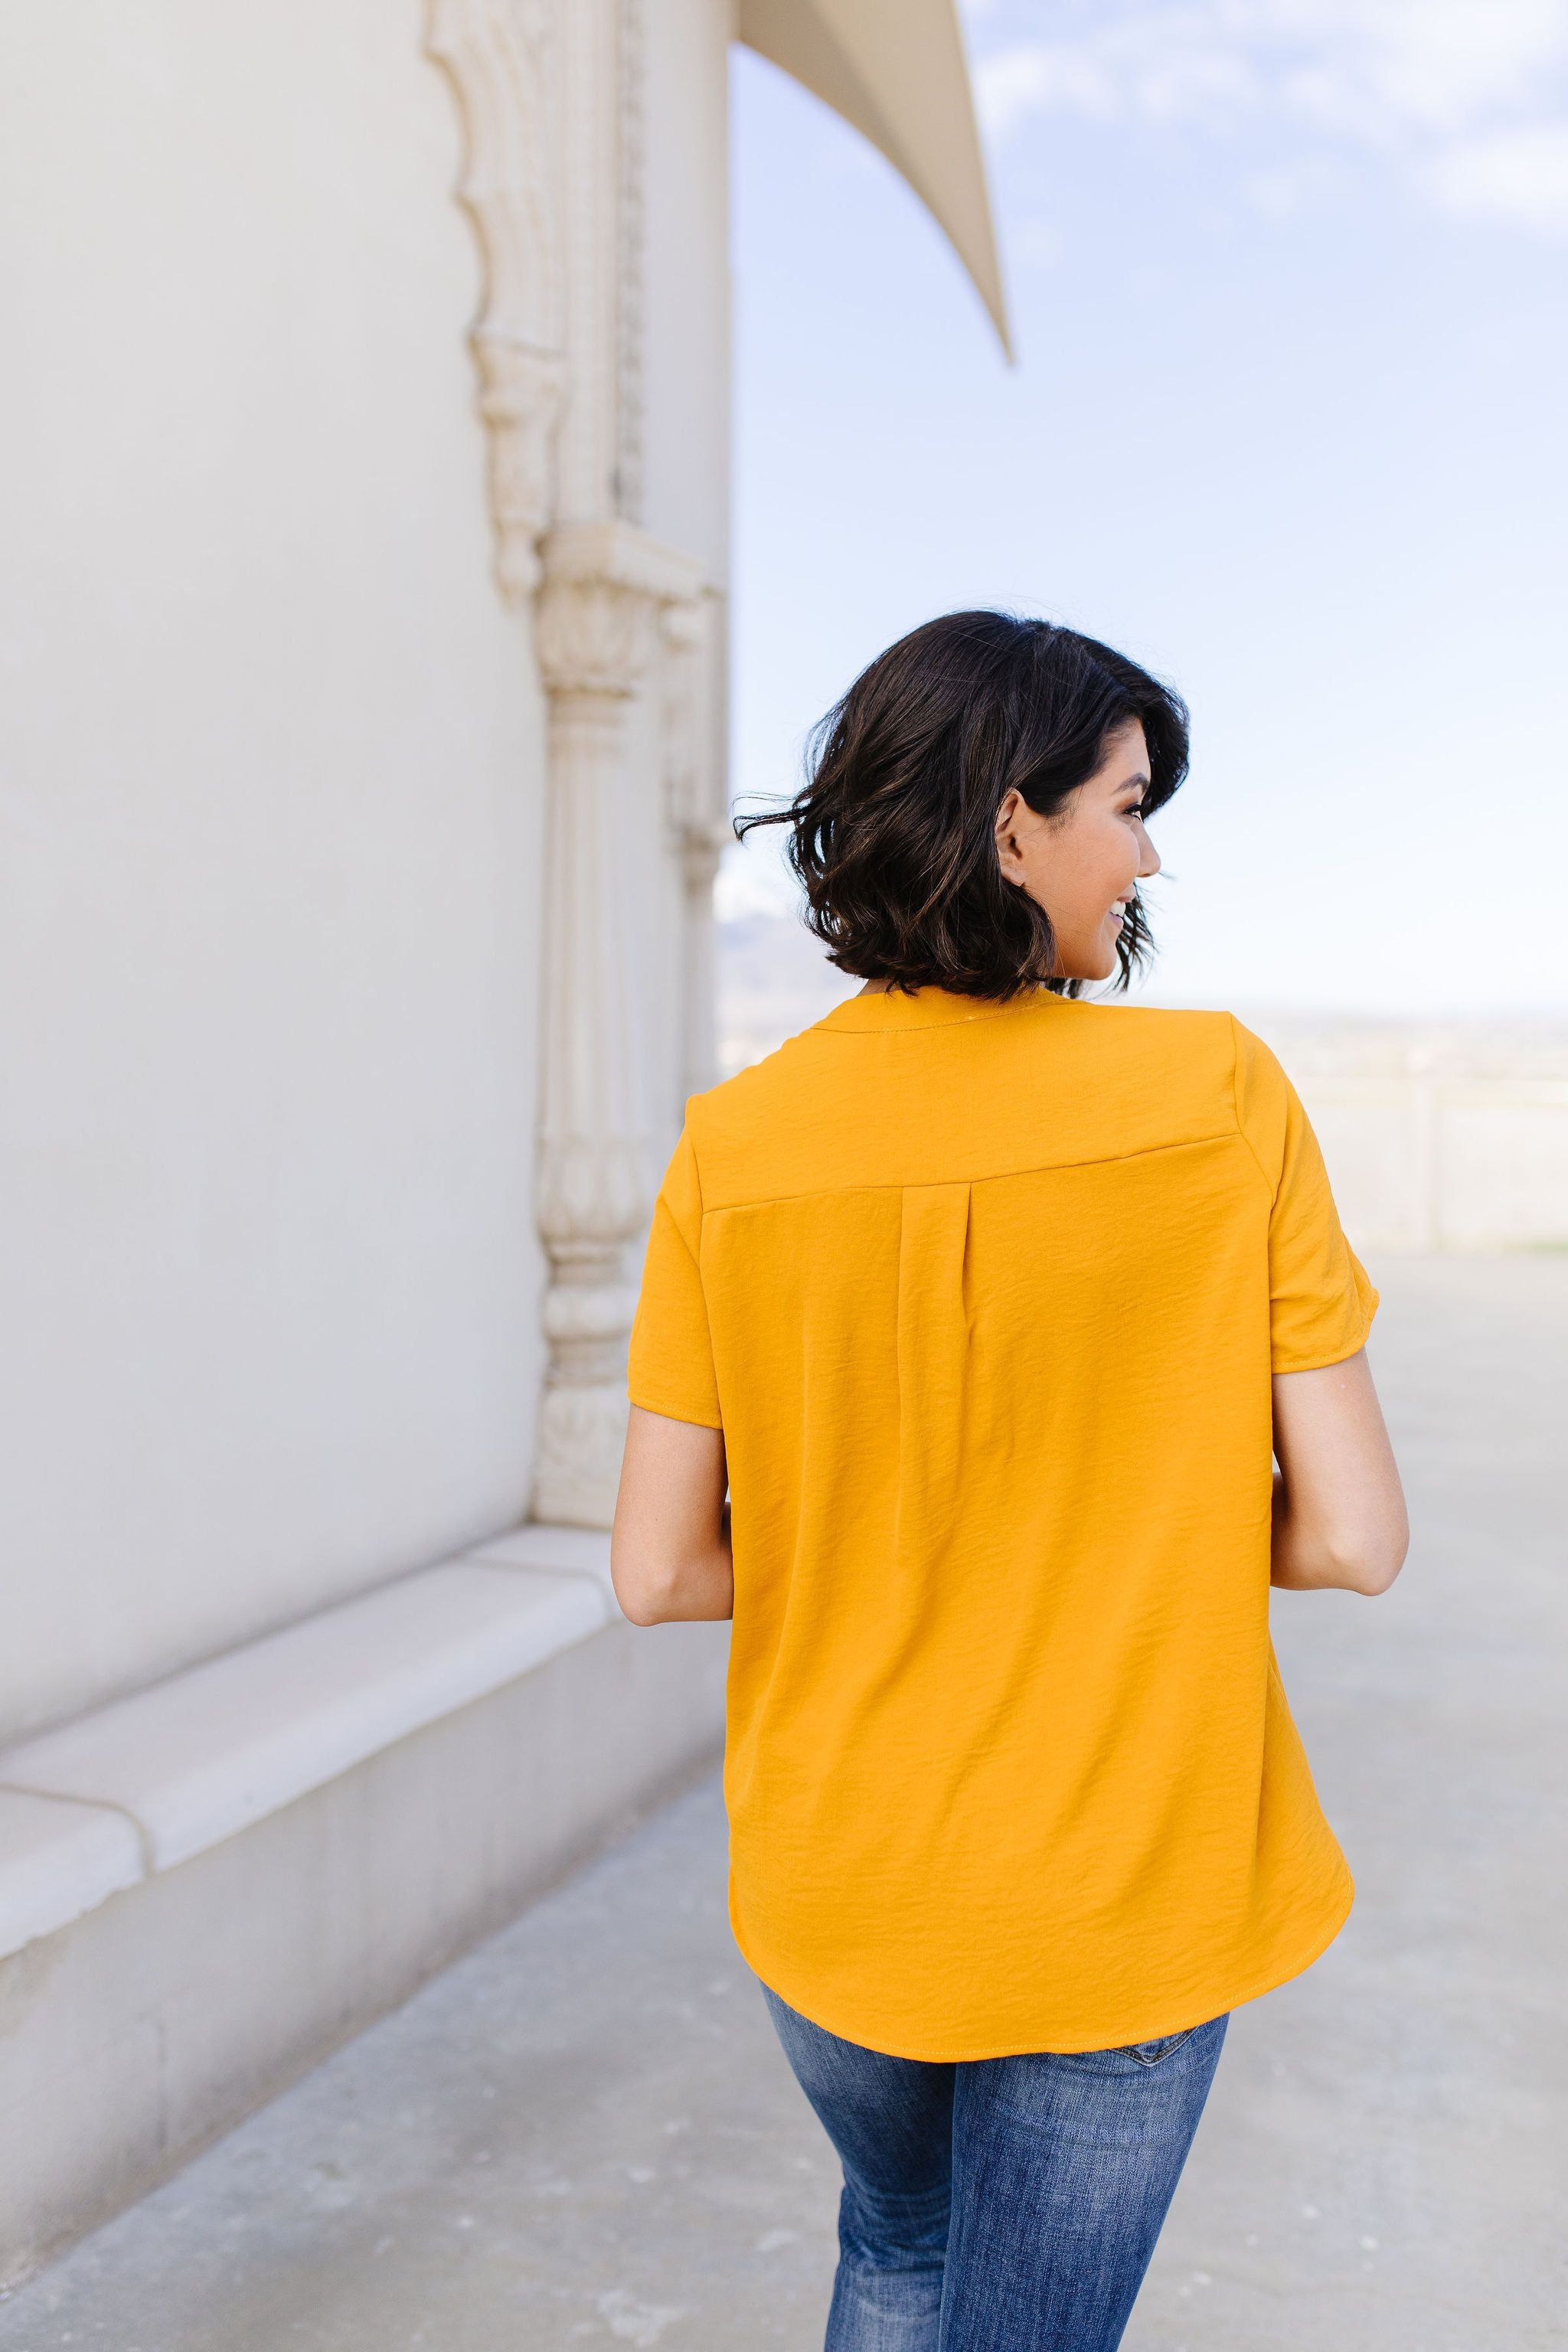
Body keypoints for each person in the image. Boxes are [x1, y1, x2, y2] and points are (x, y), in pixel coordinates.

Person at [610, 610, 1408, 2352]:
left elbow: (661, 1570)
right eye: (1124, 805)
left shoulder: (731, 1146)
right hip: (1107, 1886)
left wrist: (879, 1528)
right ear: (1007, 826)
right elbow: (1353, 1536)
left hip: (835, 1883)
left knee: (898, 2248)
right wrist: (1141, 1515)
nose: (1145, 852)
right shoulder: (1214, 1093)